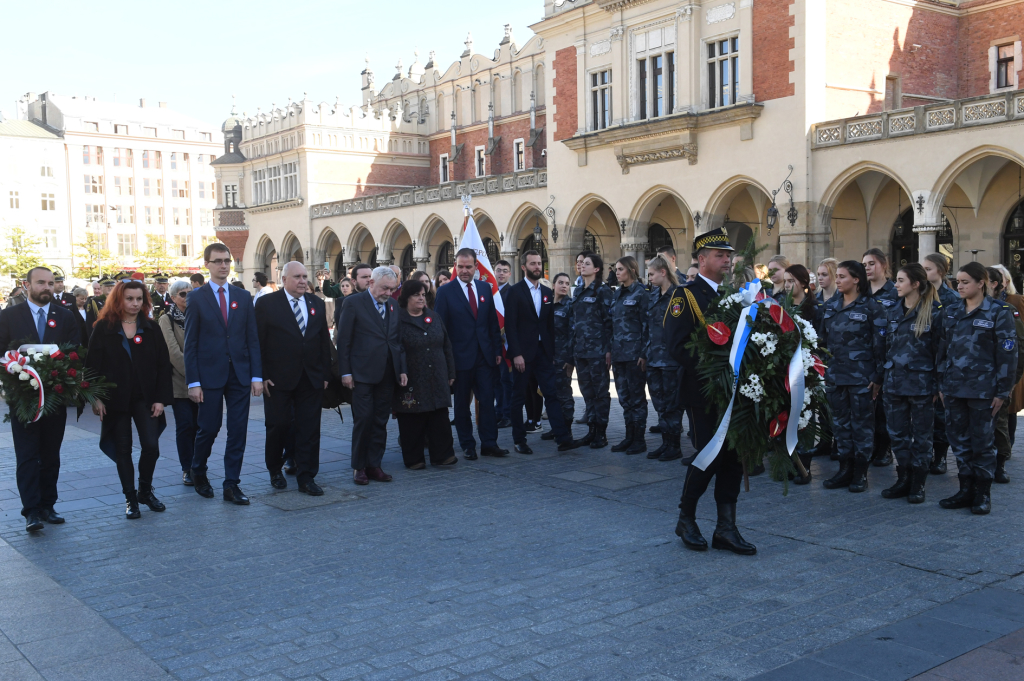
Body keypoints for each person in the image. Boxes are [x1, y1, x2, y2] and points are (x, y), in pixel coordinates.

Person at [666, 229, 755, 555]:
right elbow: (676, 346)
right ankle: (686, 518)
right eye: (720, 255)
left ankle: (726, 528)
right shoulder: (685, 296)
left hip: (736, 392)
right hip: (705, 392)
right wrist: (716, 373)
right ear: (702, 260)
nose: (727, 259)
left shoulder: (735, 296)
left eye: (728, 255)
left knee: (732, 458)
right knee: (708, 454)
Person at [0, 267, 81, 532]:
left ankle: (48, 505)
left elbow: (75, 352)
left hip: (54, 399)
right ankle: (31, 511)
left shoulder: (65, 316)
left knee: (50, 454)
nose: (47, 287)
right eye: (41, 283)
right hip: (23, 399)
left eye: (51, 282)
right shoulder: (9, 316)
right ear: (26, 285)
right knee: (27, 455)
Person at [184, 243, 263, 505]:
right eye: (217, 261)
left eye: (226, 261)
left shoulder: (243, 297)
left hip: (239, 374)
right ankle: (198, 469)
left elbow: (252, 339)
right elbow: (191, 344)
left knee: (238, 429)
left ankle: (232, 484)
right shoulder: (196, 297)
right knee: (209, 428)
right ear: (206, 264)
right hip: (209, 375)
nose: (223, 265)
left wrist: (256, 376)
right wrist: (193, 382)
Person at [87, 280, 174, 520]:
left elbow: (162, 365)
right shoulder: (103, 327)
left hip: (145, 399)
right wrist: (96, 398)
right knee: (123, 450)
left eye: (139, 299)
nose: (135, 304)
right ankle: (130, 498)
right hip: (115, 400)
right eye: (129, 299)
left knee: (151, 446)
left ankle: (145, 491)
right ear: (118, 300)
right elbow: (92, 366)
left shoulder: (151, 328)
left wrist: (160, 399)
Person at [937, 263, 1018, 515]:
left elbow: (1007, 354)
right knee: (959, 441)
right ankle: (965, 489)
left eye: (965, 282)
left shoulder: (999, 311)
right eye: (958, 282)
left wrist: (1003, 391)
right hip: (953, 388)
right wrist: (941, 383)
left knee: (982, 443)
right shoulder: (950, 311)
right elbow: (941, 350)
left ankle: (983, 493)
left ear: (981, 283)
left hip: (984, 390)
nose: (959, 286)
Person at [256, 261, 333, 495]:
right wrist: (262, 375)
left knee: (309, 428)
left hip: (310, 378)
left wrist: (325, 374)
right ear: (284, 279)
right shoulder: (267, 304)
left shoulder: (316, 304)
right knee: (278, 425)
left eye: (304, 276)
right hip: (277, 379)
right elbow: (257, 342)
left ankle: (307, 476)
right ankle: (275, 469)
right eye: (297, 277)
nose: (302, 281)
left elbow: (323, 342)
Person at [503, 250, 579, 455]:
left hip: (543, 354)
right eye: (533, 264)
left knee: (552, 394)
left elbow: (548, 325)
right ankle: (519, 440)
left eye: (539, 263)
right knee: (518, 398)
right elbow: (510, 325)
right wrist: (516, 354)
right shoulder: (515, 292)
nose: (537, 267)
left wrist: (552, 352)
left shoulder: (546, 293)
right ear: (524, 267)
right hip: (522, 355)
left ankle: (563, 438)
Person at [337, 266, 407, 484]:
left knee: (380, 420)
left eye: (392, 289)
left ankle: (375, 464)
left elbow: (397, 341)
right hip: (361, 375)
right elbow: (344, 340)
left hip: (387, 374)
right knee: (364, 419)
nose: (388, 293)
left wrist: (402, 369)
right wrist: (345, 372)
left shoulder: (394, 306)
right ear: (371, 283)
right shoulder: (353, 303)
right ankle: (359, 467)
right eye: (385, 288)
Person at [434, 249, 506, 460]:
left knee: (487, 401)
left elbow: (492, 323)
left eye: (468, 267)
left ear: (476, 267)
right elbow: (441, 329)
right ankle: (467, 445)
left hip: (485, 357)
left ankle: (489, 443)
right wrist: (446, 361)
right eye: (460, 267)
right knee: (462, 405)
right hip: (459, 359)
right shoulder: (445, 292)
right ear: (455, 267)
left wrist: (497, 350)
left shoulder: (485, 288)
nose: (464, 271)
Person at [821, 260, 887, 493]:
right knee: (840, 425)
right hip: (836, 376)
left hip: (862, 377)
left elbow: (881, 345)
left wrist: (878, 377)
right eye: (836, 276)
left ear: (856, 279)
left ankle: (860, 473)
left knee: (862, 426)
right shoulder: (830, 306)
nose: (837, 280)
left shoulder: (872, 307)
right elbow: (823, 342)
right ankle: (844, 469)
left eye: (842, 277)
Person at [880, 263, 944, 504]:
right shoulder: (893, 311)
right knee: (897, 435)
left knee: (922, 436)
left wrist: (939, 385)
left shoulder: (935, 312)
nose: (895, 285)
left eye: (900, 280)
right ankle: (903, 478)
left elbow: (941, 352)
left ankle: (918, 483)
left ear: (915, 284)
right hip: (895, 383)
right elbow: (887, 347)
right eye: (896, 280)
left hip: (922, 385)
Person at [394, 279, 457, 468]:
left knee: (439, 416)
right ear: (406, 298)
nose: (421, 298)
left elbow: (446, 345)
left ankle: (443, 455)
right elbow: (395, 349)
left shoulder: (434, 317)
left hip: (437, 375)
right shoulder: (398, 320)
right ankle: (414, 459)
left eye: (423, 295)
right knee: (412, 419)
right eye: (416, 295)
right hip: (411, 376)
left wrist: (450, 371)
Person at [984, 266, 1024, 485]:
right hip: (971, 380)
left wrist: (1011, 382)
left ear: (995, 284)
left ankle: (1000, 464)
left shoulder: (1007, 309)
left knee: (999, 425)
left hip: (998, 380)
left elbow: (1018, 348)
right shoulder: (965, 309)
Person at [158, 280, 199, 486]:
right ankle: (187, 467)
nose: (187, 297)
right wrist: (194, 375)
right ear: (173, 298)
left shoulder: (199, 315)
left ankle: (199, 465)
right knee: (185, 426)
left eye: (190, 293)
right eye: (183, 294)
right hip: (180, 382)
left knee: (203, 426)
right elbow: (173, 352)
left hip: (202, 382)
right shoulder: (167, 320)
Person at [571, 253, 613, 448]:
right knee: (587, 391)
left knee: (600, 392)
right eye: (581, 263)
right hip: (580, 350)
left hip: (597, 351)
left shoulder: (603, 291)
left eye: (587, 264)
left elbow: (608, 322)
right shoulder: (578, 291)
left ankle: (601, 433)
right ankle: (591, 430)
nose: (582, 266)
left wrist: (608, 350)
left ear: (596, 269)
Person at [643, 256, 682, 462]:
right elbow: (647, 327)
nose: (649, 278)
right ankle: (665, 443)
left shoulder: (678, 296)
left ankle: (674, 445)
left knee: (671, 404)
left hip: (671, 360)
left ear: (663, 272)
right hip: (654, 358)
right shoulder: (653, 296)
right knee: (659, 403)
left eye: (651, 274)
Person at [923, 253, 959, 474]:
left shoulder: (952, 298)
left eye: (928, 269)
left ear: (941, 271)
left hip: (943, 360)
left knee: (940, 413)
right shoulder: (921, 295)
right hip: (923, 359)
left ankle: (941, 456)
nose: (925, 273)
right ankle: (926, 453)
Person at [609, 256, 649, 455]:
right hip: (619, 354)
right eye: (616, 269)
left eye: (620, 269)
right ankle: (629, 436)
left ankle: (639, 440)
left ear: (632, 270)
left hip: (634, 355)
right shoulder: (617, 294)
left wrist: (643, 353)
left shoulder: (641, 294)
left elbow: (646, 325)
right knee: (624, 397)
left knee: (637, 398)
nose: (617, 272)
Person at [863, 248, 899, 468]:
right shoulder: (861, 291)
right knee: (866, 408)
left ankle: (885, 448)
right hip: (864, 356)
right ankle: (870, 446)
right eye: (864, 264)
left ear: (884, 265)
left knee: (884, 409)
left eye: (871, 263)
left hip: (887, 355)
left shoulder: (894, 291)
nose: (867, 268)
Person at [546, 273, 577, 440]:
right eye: (560, 282)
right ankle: (555, 427)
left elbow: (573, 334)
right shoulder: (547, 305)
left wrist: (570, 359)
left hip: (563, 358)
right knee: (550, 394)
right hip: (547, 357)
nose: (564, 286)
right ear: (553, 285)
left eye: (567, 283)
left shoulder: (570, 306)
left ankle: (566, 429)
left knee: (564, 394)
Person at [493, 260, 514, 429]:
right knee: (497, 381)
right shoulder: (490, 292)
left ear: (509, 274)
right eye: (498, 270)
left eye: (504, 271)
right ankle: (499, 411)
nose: (501, 273)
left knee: (507, 381)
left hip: (507, 344)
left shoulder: (512, 292)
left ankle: (508, 414)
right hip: (493, 344)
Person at [334, 264, 373, 337]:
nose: (369, 280)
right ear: (354, 281)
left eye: (370, 276)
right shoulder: (344, 301)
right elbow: (343, 332)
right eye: (364, 277)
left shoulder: (379, 299)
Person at [784, 264, 822, 334]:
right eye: (785, 281)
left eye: (791, 281)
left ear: (803, 283)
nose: (786, 285)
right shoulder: (782, 307)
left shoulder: (815, 308)